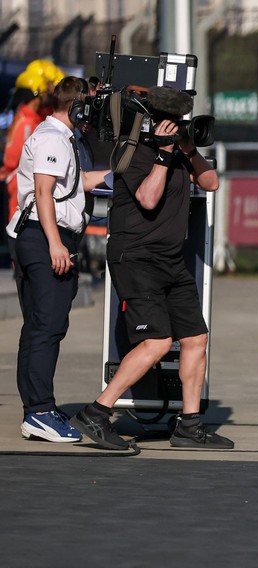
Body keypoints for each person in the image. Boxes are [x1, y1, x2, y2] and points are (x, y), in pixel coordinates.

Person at [72, 86, 233, 450]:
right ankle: (96, 413)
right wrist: (162, 155)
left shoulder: (179, 153)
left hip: (168, 260)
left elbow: (211, 182)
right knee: (158, 341)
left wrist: (189, 150)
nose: (178, 129)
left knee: (195, 337)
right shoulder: (133, 153)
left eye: (182, 124)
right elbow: (147, 199)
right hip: (136, 256)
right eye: (173, 124)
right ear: (156, 124)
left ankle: (189, 425)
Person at [13, 77, 108, 442]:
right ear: (78, 107)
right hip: (44, 237)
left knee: (39, 327)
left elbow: (75, 181)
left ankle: (37, 408)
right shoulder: (53, 137)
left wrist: (118, 175)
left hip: (42, 236)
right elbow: (43, 191)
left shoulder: (59, 137)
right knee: (47, 327)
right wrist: (55, 244)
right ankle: (38, 412)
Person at [2, 62, 64, 222]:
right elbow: (14, 157)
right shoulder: (27, 122)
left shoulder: (29, 116)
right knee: (18, 223)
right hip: (21, 180)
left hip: (23, 179)